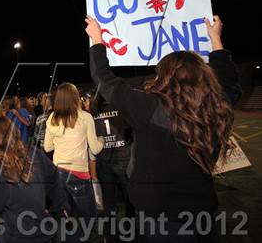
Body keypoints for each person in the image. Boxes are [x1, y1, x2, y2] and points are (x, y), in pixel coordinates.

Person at [86, 15, 241, 242]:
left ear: (167, 78)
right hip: (203, 215)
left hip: (158, 219)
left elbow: (105, 81)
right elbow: (228, 81)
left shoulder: (150, 108)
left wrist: (98, 40)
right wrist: (216, 40)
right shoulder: (217, 108)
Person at [0, 116, 70, 243]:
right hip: (46, 231)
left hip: (19, 235)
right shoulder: (33, 153)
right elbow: (54, 178)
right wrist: (60, 208)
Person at [44, 82, 104, 242]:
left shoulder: (52, 118)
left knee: (66, 215)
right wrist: (102, 139)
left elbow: (47, 147)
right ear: (75, 97)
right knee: (89, 216)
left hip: (57, 173)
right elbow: (96, 149)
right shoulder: (85, 117)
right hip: (78, 175)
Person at [90, 89, 134, 242]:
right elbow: (131, 130)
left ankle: (112, 236)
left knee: (110, 202)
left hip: (104, 161)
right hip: (123, 159)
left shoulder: (93, 114)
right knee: (131, 199)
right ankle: (132, 231)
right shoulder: (121, 108)